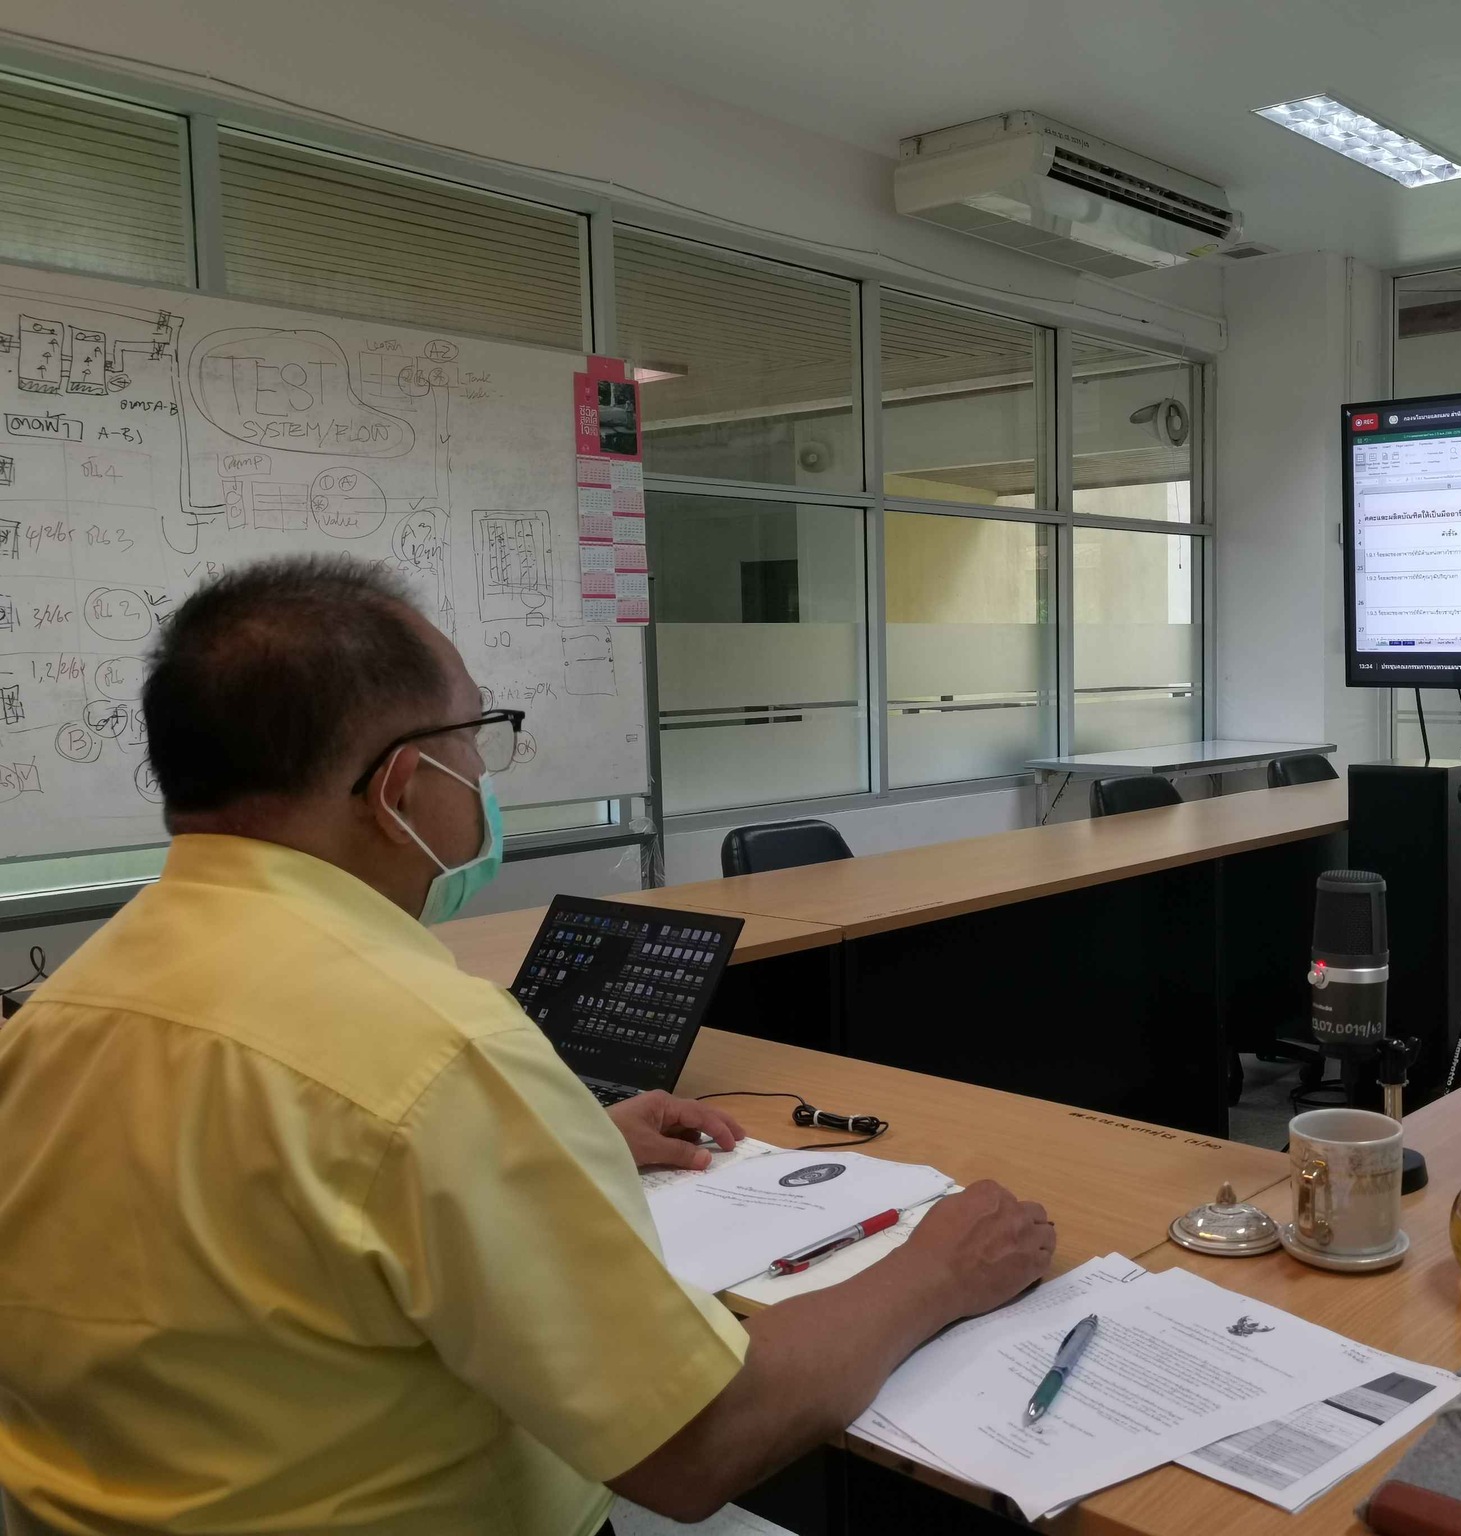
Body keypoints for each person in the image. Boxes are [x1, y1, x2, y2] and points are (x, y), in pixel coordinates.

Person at [0, 556, 1055, 1535]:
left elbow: (240, 1201)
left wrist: (552, 1144)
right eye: (478, 736)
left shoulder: (62, 1009)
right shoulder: (435, 1051)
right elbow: (699, 1444)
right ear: (401, 787)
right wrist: (936, 1271)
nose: (484, 772)